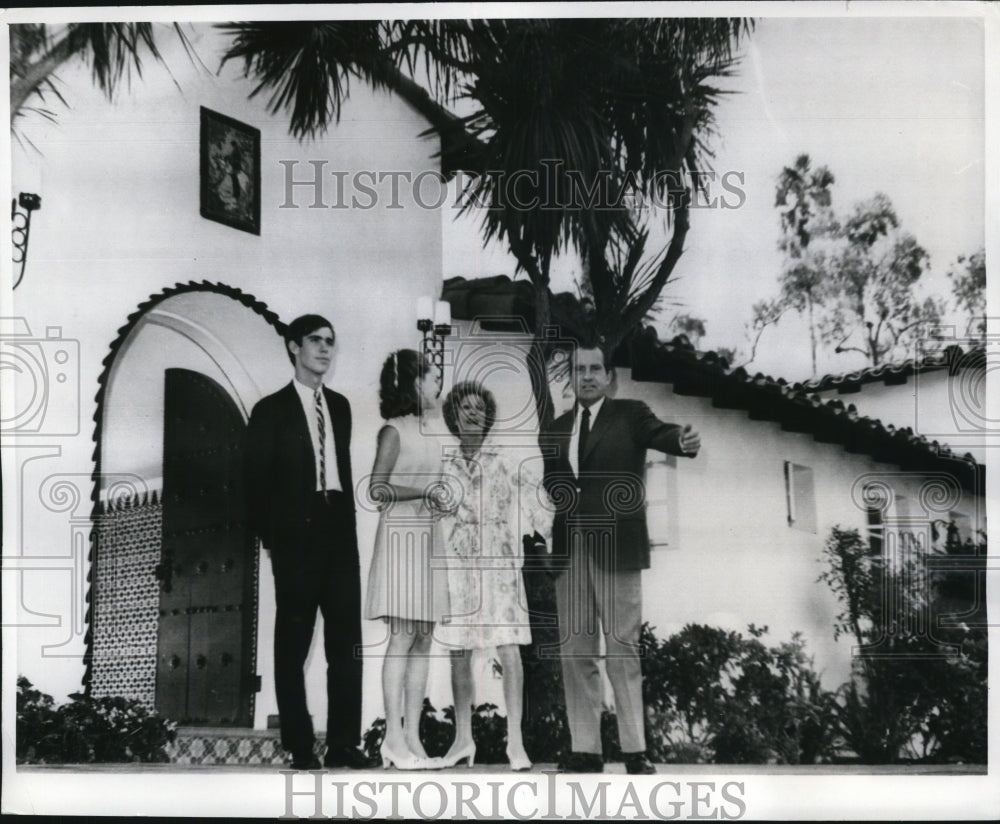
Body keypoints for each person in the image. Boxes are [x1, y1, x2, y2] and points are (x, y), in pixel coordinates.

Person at [544, 344, 701, 775]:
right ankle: (585, 749)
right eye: (579, 369)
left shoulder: (631, 414)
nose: (587, 376)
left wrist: (682, 441)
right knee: (576, 652)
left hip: (617, 548)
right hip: (570, 549)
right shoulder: (555, 430)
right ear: (571, 377)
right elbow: (551, 486)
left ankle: (635, 750)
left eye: (596, 368)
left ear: (609, 376)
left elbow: (661, 433)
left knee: (622, 649)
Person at [243, 314, 369, 770]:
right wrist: (275, 540)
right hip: (295, 539)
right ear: (294, 347)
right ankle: (298, 744)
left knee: (346, 644)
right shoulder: (269, 410)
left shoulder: (340, 406)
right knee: (293, 644)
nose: (324, 348)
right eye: (315, 341)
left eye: (330, 342)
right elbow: (253, 486)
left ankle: (343, 745)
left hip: (339, 531)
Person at [434, 381, 553, 771]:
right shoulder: (444, 463)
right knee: (458, 651)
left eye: (480, 408)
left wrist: (545, 532)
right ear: (454, 416)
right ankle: (462, 739)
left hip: (499, 562)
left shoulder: (504, 458)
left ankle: (515, 743)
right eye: (465, 407)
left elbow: (540, 500)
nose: (474, 413)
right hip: (459, 565)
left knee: (509, 648)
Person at [364, 349, 449, 770]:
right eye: (433, 378)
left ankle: (413, 739)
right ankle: (392, 739)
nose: (439, 385)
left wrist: (442, 499)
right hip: (400, 538)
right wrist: (422, 494)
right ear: (415, 383)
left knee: (423, 638)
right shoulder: (393, 431)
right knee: (401, 637)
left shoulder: (432, 431)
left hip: (427, 538)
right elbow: (376, 490)